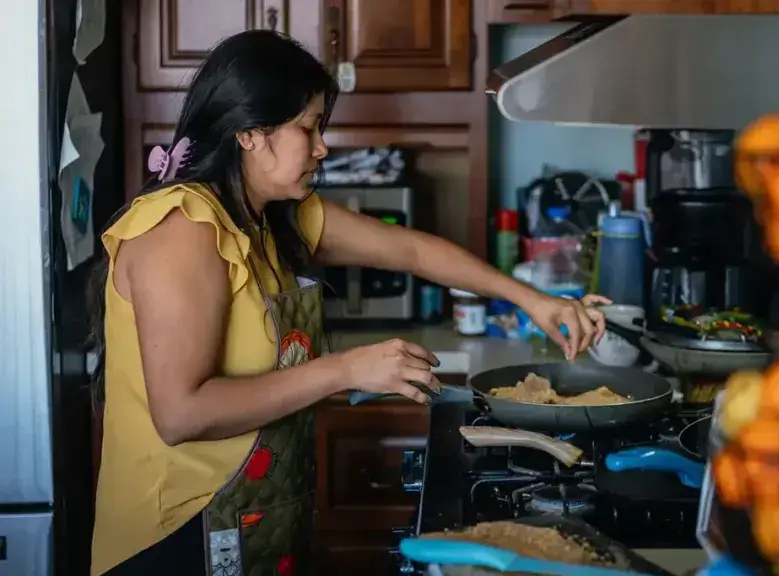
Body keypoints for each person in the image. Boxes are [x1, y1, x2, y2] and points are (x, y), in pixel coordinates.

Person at [87, 30, 609, 576]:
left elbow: (408, 249)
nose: (322, 147)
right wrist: (346, 369)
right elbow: (181, 414)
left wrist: (534, 300)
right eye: (308, 128)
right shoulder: (181, 228)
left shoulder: (268, 215)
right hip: (176, 533)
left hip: (255, 513)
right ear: (250, 134)